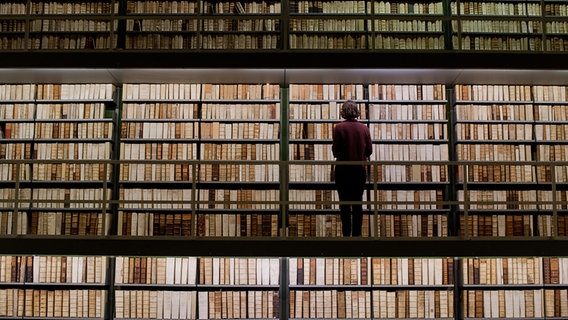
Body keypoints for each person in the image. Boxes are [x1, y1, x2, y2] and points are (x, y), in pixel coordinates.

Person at [332, 100, 372, 237]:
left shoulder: (339, 128)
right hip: (359, 170)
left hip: (343, 170)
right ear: (357, 111)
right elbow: (369, 151)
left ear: (343, 111)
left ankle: (346, 234)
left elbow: (335, 152)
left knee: (344, 203)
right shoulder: (364, 129)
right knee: (357, 203)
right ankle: (357, 235)